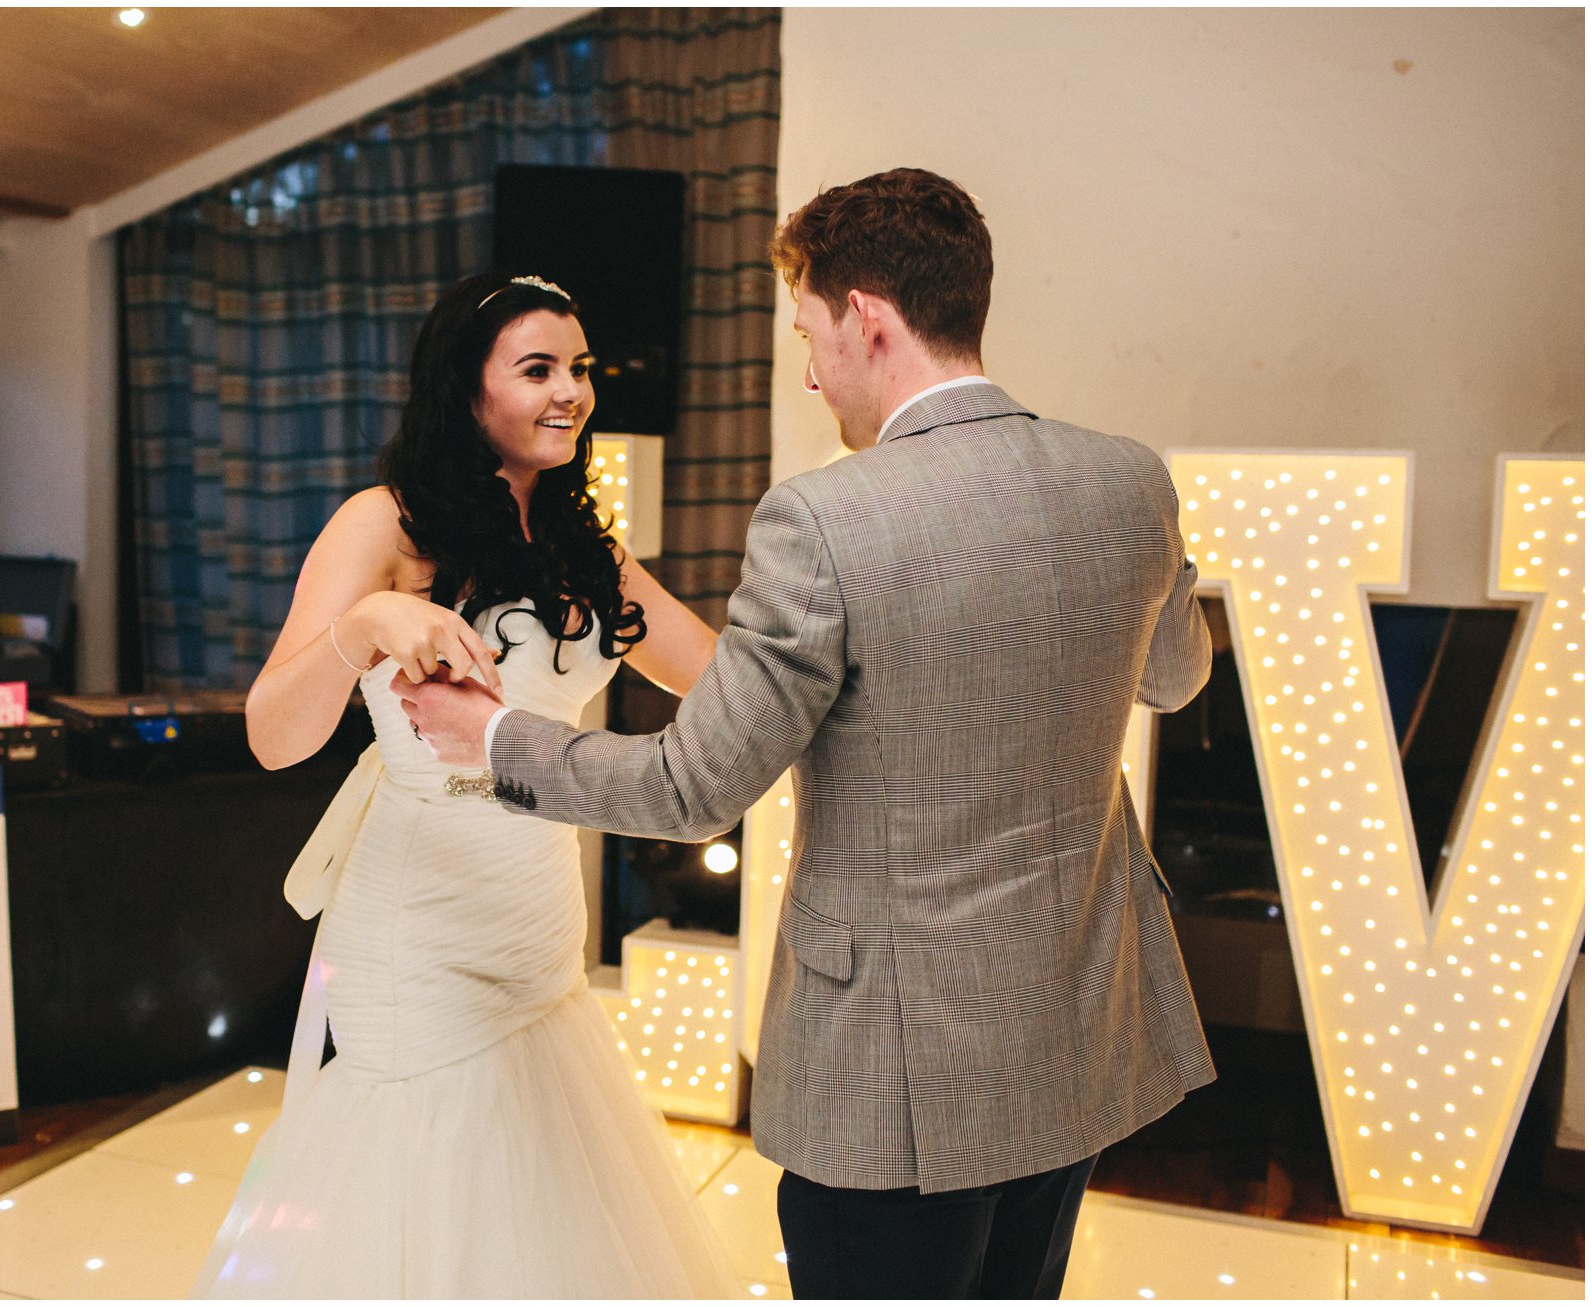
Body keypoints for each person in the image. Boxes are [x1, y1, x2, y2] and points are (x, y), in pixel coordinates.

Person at [403, 169, 1217, 1300]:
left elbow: (693, 787)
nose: (808, 367)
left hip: (895, 1068)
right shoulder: (1127, 479)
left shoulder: (827, 516)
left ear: (868, 318)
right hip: (1075, 1024)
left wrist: (494, 741)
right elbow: (1176, 679)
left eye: (810, 330)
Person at [191, 272, 739, 1298]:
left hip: (537, 913)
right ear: (467, 387)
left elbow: (720, 680)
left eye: (578, 368)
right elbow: (272, 734)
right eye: (537, 369)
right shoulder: (385, 523)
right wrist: (361, 629)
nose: (570, 391)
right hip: (418, 922)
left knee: (535, 1195)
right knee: (419, 1178)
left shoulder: (587, 545)